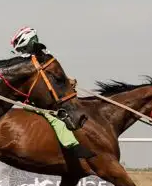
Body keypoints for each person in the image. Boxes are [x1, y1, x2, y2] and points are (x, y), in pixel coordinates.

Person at [10, 27, 95, 159]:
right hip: (32, 101)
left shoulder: (36, 58)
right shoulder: (28, 61)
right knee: (56, 119)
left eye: (20, 48)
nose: (20, 51)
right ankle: (71, 146)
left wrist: (67, 82)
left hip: (37, 99)